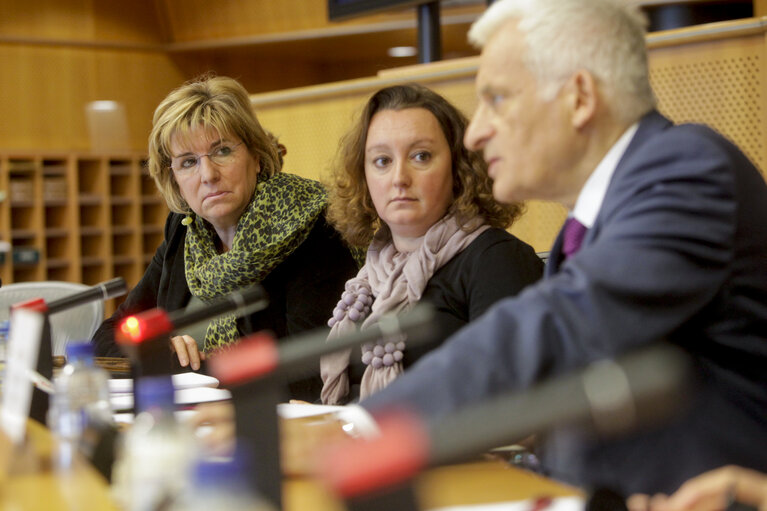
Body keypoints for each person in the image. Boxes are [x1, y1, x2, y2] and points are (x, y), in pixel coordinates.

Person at [358, 0, 767, 497]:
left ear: (578, 97)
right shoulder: (596, 215)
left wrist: (370, 427)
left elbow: (563, 323)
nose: (476, 132)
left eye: (498, 99)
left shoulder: (689, 170)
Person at [91, 75, 357, 400]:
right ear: (173, 179)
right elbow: (110, 334)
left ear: (257, 157)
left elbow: (305, 375)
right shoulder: (186, 232)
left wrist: (177, 368)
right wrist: (153, 347)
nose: (208, 175)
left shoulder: (311, 228)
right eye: (188, 162)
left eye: (222, 151)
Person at [319, 84, 543, 405]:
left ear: (459, 169)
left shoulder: (496, 259)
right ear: (363, 177)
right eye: (382, 160)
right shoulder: (370, 276)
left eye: (420, 156)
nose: (399, 177)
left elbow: (509, 399)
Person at [628, 466, 767, 511]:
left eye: (651, 500)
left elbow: (762, 490)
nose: (660, 497)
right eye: (650, 508)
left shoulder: (696, 495)